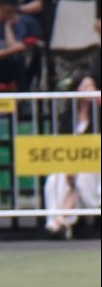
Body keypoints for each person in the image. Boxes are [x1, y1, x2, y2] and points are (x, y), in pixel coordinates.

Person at [44, 75, 101, 239]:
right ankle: (56, 221)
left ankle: (61, 221)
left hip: (94, 163)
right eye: (85, 87)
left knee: (82, 178)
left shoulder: (99, 115)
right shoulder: (68, 116)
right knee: (54, 181)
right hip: (70, 162)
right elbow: (63, 144)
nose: (88, 91)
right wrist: (70, 167)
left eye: (92, 87)